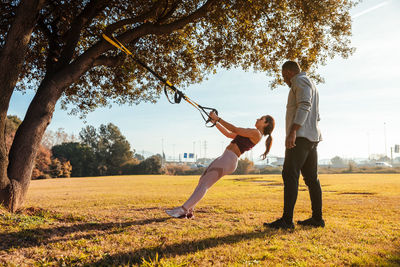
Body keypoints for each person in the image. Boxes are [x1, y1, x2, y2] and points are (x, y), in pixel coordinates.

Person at [165, 112, 275, 218]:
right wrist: (215, 122)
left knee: (205, 184)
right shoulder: (252, 132)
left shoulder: (256, 133)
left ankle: (183, 210)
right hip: (226, 157)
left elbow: (234, 129)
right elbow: (229, 134)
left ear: (266, 124)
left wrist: (218, 118)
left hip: (229, 159)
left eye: (261, 119)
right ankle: (189, 211)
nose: (257, 119)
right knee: (202, 180)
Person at [264, 61, 324, 229]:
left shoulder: (299, 81)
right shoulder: (311, 83)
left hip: (301, 137)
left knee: (290, 174)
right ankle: (317, 219)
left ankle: (286, 220)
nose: (284, 80)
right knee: (312, 179)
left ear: (289, 72)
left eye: (284, 76)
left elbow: (305, 105)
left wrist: (293, 131)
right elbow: (316, 114)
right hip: (312, 137)